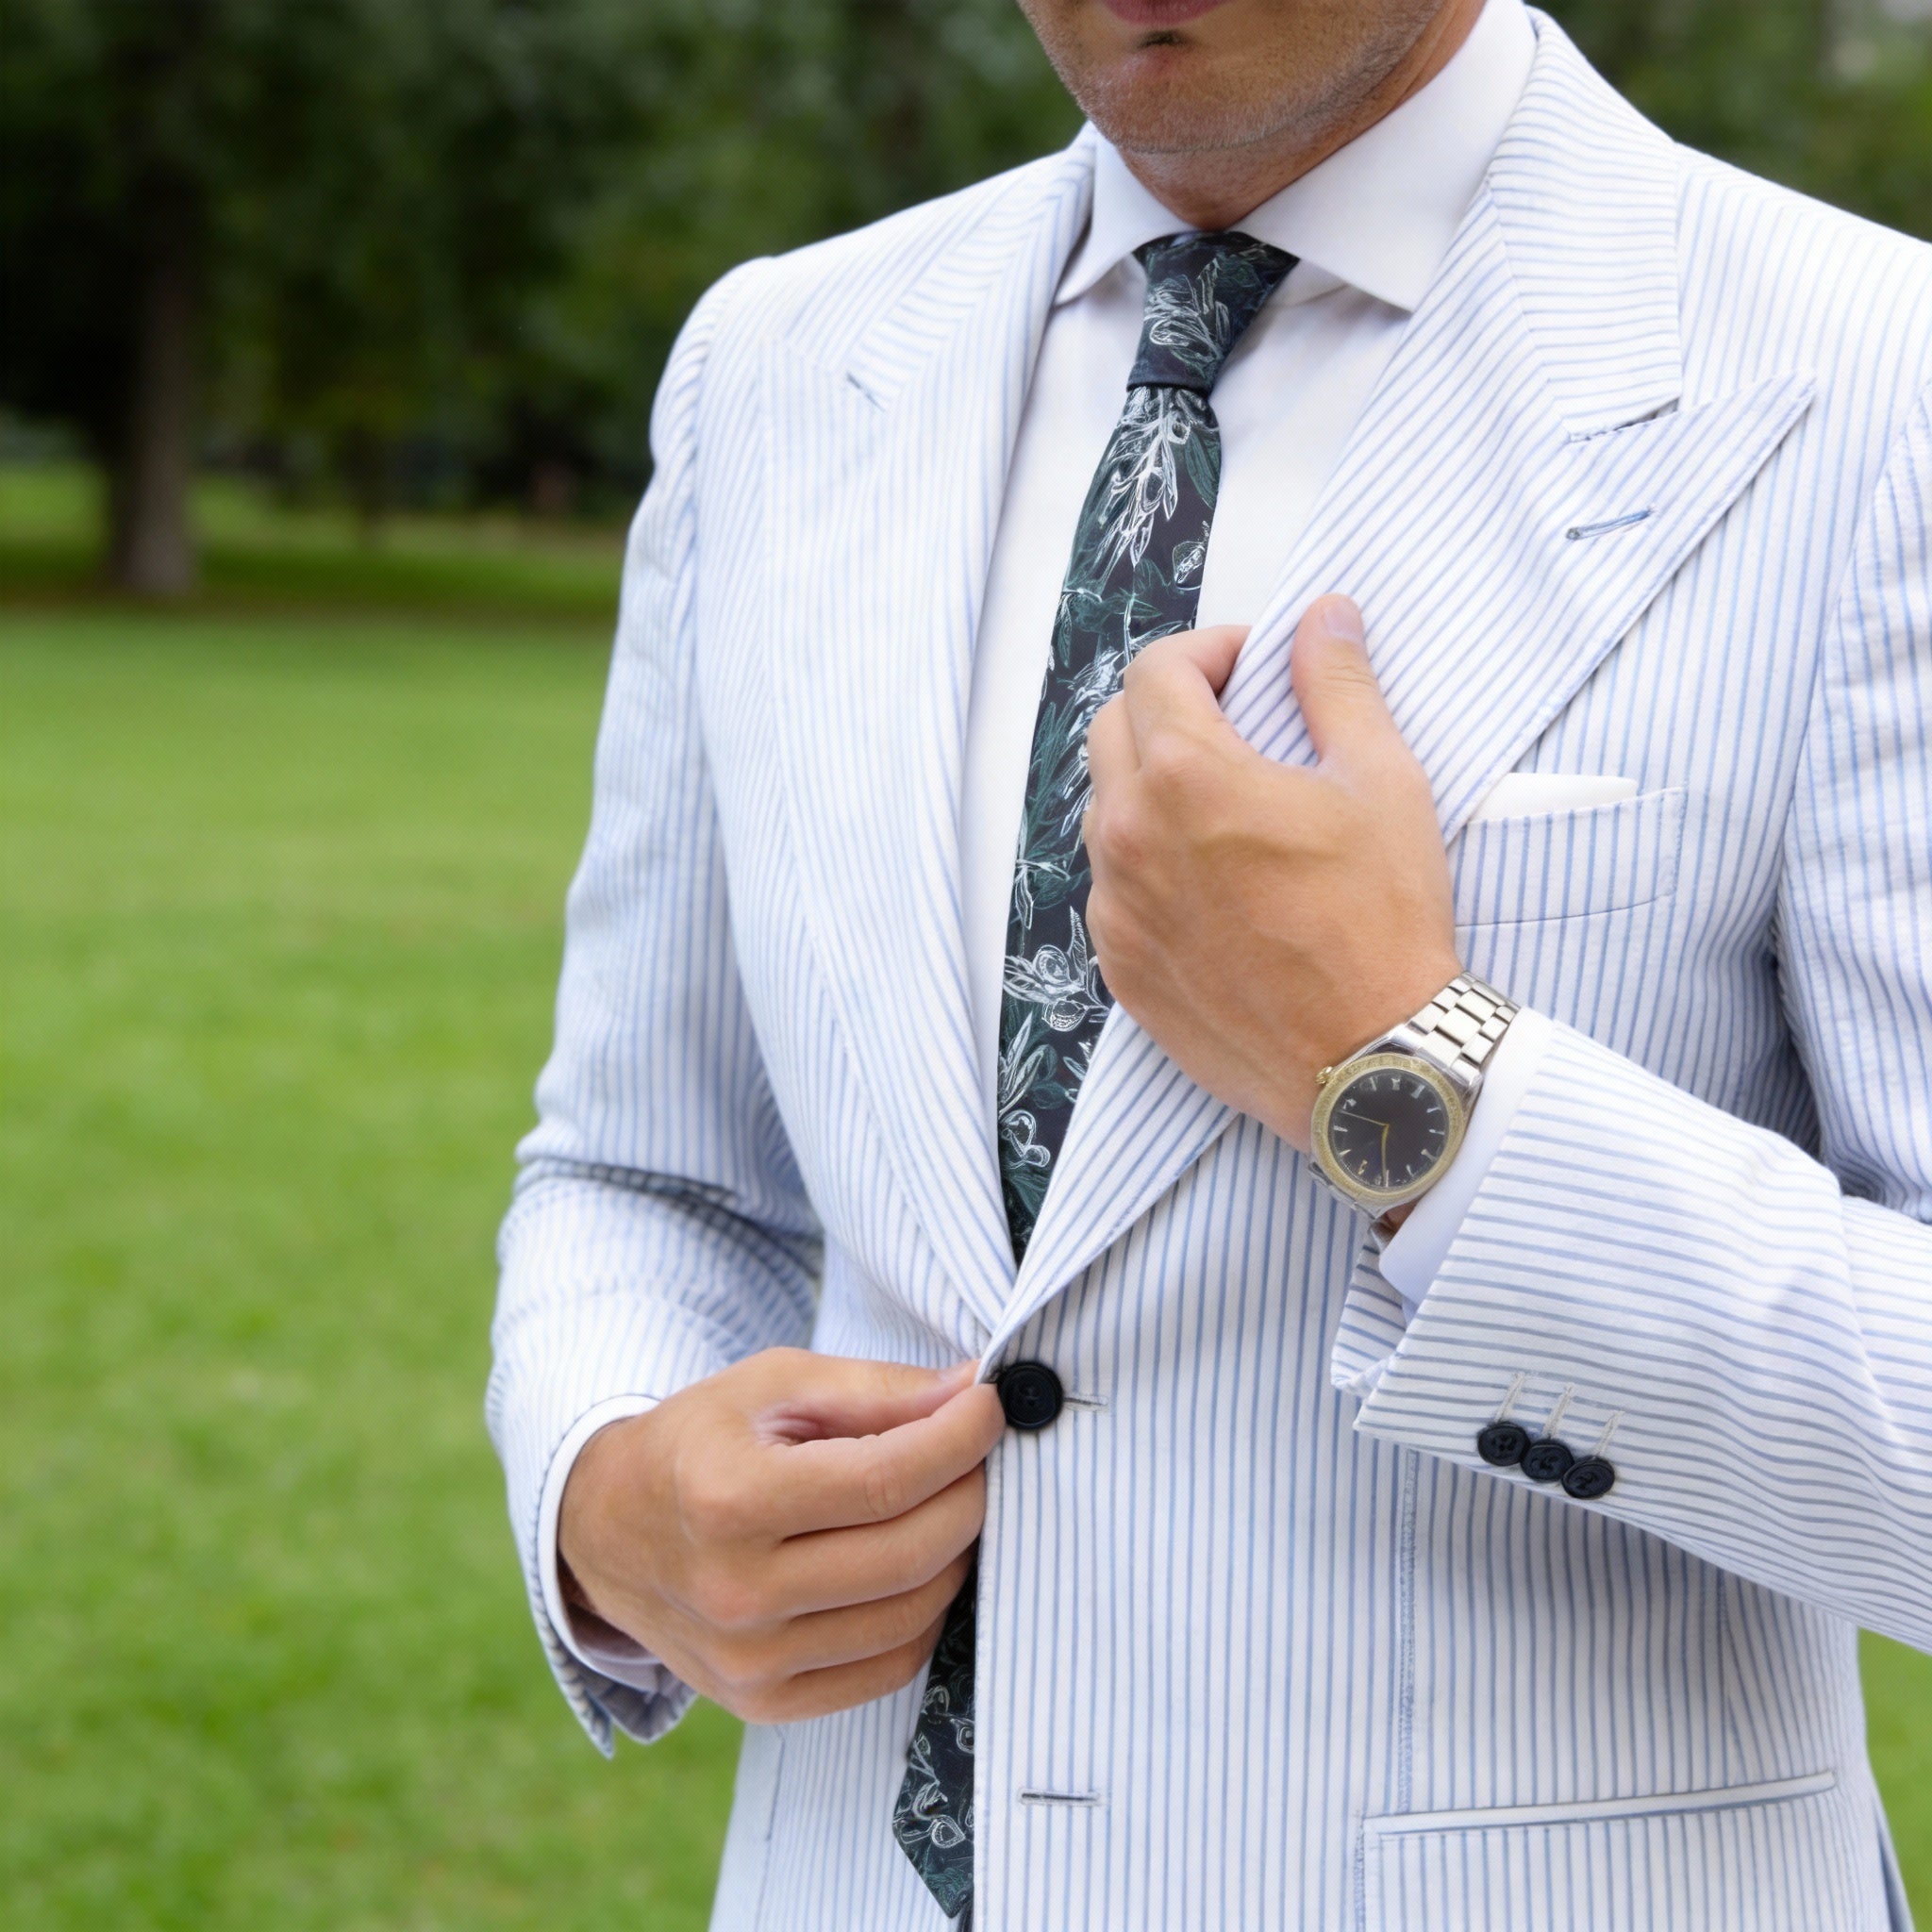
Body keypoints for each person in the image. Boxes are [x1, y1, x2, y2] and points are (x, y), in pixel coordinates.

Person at [487, 0, 1932, 1924]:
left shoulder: (1873, 386)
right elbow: (642, 1163)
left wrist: (1400, 1076)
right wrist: (606, 1485)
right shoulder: (776, 364)